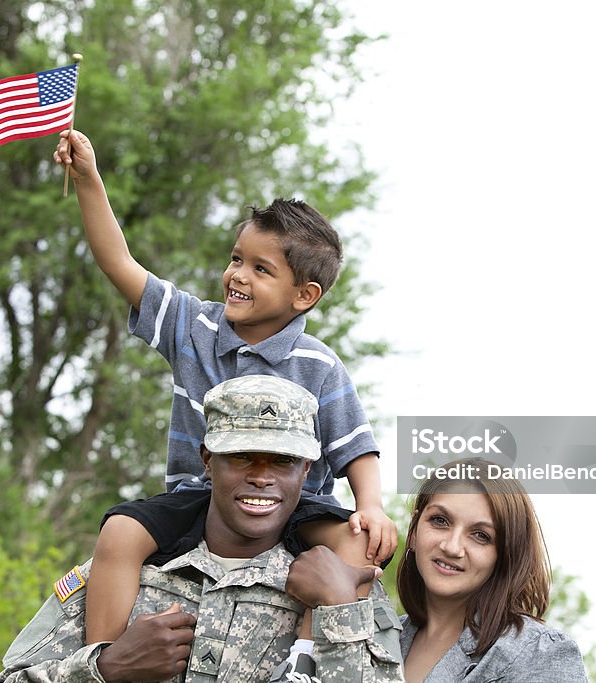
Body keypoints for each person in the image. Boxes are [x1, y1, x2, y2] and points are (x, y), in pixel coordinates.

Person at [52, 129, 398, 645]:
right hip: (200, 498)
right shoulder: (194, 327)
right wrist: (89, 182)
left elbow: (355, 446)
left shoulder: (318, 365)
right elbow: (119, 263)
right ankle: (102, 659)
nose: (238, 275)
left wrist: (369, 505)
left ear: (304, 295)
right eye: (237, 259)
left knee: (352, 547)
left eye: (262, 269)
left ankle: (303, 664)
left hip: (295, 507)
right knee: (120, 532)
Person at [0, 375, 404, 682]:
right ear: (208, 460)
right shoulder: (137, 568)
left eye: (283, 461)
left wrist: (337, 615)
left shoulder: (341, 584)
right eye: (242, 456)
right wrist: (106, 667)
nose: (262, 477)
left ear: (306, 470)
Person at [396, 457, 588, 682]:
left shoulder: (538, 654)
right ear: (413, 532)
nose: (452, 547)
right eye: (440, 520)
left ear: (505, 556)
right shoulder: (380, 638)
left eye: (481, 535)